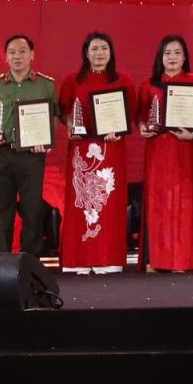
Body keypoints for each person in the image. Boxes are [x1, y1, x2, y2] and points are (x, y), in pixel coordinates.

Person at [58, 32, 133, 274]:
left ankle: (107, 258)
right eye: (94, 49)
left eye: (104, 48)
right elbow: (64, 111)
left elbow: (129, 114)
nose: (99, 53)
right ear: (86, 53)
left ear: (111, 53)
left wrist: (118, 130)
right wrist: (72, 126)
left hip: (111, 150)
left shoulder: (123, 80)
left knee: (108, 203)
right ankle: (78, 260)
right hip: (82, 149)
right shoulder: (73, 80)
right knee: (81, 203)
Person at [135, 35, 193, 272]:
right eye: (167, 53)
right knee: (157, 202)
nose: (172, 57)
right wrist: (143, 129)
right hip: (157, 151)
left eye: (177, 52)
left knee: (182, 203)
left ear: (185, 57)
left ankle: (181, 260)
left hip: (183, 150)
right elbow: (140, 116)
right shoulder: (148, 84)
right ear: (160, 57)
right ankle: (155, 261)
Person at [0, 34, 59, 256]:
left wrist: (46, 142)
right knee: (2, 209)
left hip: (32, 155)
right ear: (6, 57)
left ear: (32, 55)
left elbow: (53, 117)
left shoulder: (45, 85)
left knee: (32, 209)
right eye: (12, 52)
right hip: (1, 154)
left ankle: (30, 261)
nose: (17, 56)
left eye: (22, 51)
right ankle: (2, 262)